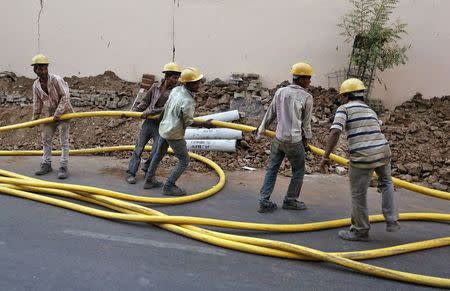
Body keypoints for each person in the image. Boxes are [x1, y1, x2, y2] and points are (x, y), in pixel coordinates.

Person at [319, 78, 400, 241]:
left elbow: (335, 132)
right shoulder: (370, 110)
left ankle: (360, 230)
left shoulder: (344, 109)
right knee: (386, 182)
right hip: (383, 151)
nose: (341, 99)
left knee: (358, 193)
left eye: (342, 96)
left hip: (363, 156)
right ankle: (392, 219)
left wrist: (325, 156)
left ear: (347, 95)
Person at [143, 67, 213, 195]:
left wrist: (160, 120)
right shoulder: (188, 101)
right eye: (197, 82)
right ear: (188, 84)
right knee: (184, 160)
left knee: (158, 155)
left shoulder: (176, 90)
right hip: (174, 133)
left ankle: (149, 180)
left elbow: (166, 107)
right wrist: (204, 124)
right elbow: (189, 122)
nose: (199, 85)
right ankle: (169, 186)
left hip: (164, 128)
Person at [255, 62, 314, 213]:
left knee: (272, 169)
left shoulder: (280, 92)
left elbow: (270, 113)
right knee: (299, 170)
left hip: (279, 139)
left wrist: (261, 130)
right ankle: (290, 200)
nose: (310, 81)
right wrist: (306, 141)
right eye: (308, 78)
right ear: (300, 79)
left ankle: (263, 201)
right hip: (294, 141)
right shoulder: (306, 97)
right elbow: (306, 124)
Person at [126, 63, 182, 184]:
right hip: (148, 123)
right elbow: (145, 102)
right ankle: (131, 173)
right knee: (138, 148)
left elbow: (168, 108)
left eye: (177, 77)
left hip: (161, 125)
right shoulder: (155, 87)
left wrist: (151, 112)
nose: (176, 80)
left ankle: (147, 169)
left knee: (157, 150)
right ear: (167, 76)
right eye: (174, 77)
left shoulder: (176, 92)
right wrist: (133, 113)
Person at [31, 54, 73, 179]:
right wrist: (34, 118)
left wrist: (58, 113)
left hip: (64, 112)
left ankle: (63, 166)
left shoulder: (56, 80)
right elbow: (37, 103)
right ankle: (46, 164)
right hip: (50, 114)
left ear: (47, 68)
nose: (43, 71)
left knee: (63, 140)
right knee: (46, 138)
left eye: (44, 68)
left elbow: (65, 97)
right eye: (40, 68)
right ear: (35, 70)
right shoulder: (36, 85)